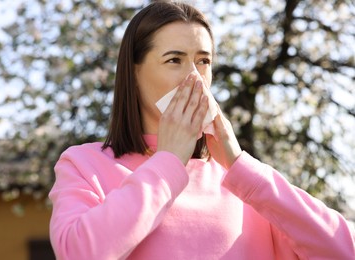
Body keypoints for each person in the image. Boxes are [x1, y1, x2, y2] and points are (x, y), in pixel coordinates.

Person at [49, 1, 355, 259]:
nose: (194, 76)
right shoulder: (84, 164)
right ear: (134, 71)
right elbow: (79, 253)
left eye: (203, 61)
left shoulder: (244, 182)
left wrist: (240, 165)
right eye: (174, 60)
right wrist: (167, 163)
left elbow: (344, 249)